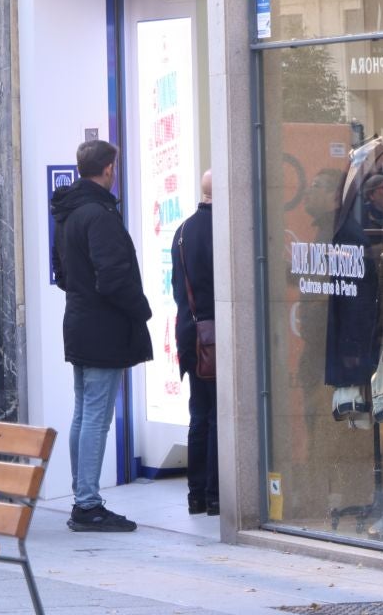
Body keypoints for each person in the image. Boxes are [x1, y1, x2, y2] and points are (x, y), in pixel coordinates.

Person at [52, 138, 150, 533]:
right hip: (103, 327)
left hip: (80, 321)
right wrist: (140, 309)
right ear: (109, 169)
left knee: (84, 412)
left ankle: (83, 496)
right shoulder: (99, 214)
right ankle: (88, 504)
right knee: (96, 415)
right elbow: (113, 277)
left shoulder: (69, 212)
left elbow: (62, 272)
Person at [171, 170, 218, 518]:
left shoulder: (183, 231)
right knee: (218, 416)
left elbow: (178, 288)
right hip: (216, 337)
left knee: (198, 414)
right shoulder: (225, 228)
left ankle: (196, 495)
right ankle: (217, 496)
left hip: (190, 333)